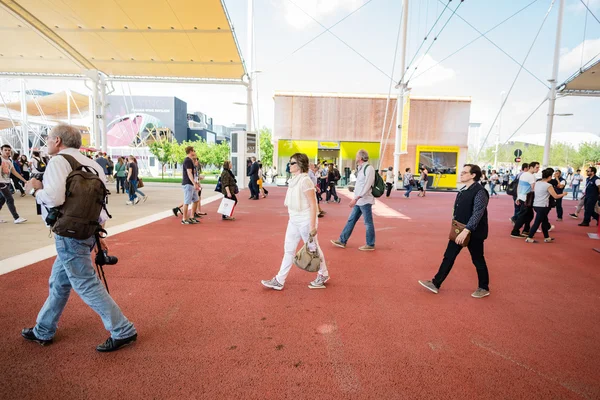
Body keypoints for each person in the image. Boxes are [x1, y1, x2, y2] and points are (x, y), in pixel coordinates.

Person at [22, 123, 137, 352]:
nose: (47, 142)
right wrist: (99, 233)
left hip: (68, 233)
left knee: (85, 283)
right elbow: (101, 204)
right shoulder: (93, 164)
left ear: (57, 141)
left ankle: (123, 329)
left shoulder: (59, 162)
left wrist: (34, 190)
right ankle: (43, 329)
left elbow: (53, 199)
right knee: (59, 282)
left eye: (49, 138)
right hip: (88, 230)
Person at [418, 164, 490, 299]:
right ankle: (435, 283)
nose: (461, 174)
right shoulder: (464, 190)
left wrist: (467, 230)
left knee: (477, 259)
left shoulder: (480, 191)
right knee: (449, 256)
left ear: (473, 175)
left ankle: (484, 287)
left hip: (473, 233)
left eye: (464, 172)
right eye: (461, 172)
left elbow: (477, 213)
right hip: (459, 229)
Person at [261, 153, 330, 290]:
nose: (289, 165)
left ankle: (323, 274)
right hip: (293, 220)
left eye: (292, 163)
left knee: (313, 249)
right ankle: (279, 280)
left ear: (299, 165)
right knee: (289, 250)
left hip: (305, 221)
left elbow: (313, 204)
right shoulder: (294, 180)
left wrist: (312, 226)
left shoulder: (305, 181)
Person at [331, 149, 376, 251]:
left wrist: (356, 198)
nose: (355, 158)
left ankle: (370, 244)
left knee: (368, 222)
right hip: (359, 200)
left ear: (360, 158)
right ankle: (342, 240)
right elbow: (360, 184)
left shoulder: (369, 169)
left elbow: (367, 186)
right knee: (351, 220)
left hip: (364, 200)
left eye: (356, 156)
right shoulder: (361, 168)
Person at [526, 168, 567, 243]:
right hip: (543, 206)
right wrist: (564, 194)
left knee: (544, 221)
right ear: (549, 177)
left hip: (536, 204)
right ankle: (529, 237)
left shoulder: (537, 183)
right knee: (537, 222)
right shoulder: (548, 185)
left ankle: (547, 237)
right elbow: (555, 196)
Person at [511, 161, 540, 238]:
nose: (538, 169)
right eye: (537, 167)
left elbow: (519, 187)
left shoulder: (523, 174)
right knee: (523, 215)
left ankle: (526, 230)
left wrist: (518, 197)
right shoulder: (531, 176)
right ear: (531, 167)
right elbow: (534, 188)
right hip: (527, 199)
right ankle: (515, 231)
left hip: (522, 197)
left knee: (529, 215)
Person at [0, 144, 28, 224]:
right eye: (5, 150)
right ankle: (16, 218)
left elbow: (14, 172)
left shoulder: (9, 161)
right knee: (10, 199)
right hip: (1, 183)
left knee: (2, 200)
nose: (7, 152)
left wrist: (25, 181)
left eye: (9, 150)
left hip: (7, 182)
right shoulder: (0, 159)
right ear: (1, 151)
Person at [180, 146, 200, 224]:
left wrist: (196, 182)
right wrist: (194, 183)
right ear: (191, 151)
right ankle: (184, 219)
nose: (195, 152)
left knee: (196, 200)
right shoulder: (187, 161)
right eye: (194, 151)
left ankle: (192, 217)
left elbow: (193, 173)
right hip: (188, 184)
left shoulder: (190, 161)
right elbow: (189, 173)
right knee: (187, 201)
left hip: (191, 184)